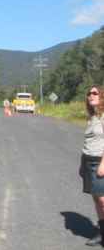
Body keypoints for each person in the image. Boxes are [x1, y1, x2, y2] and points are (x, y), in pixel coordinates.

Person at [80, 85, 104, 247]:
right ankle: (101, 233)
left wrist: (103, 164)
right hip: (87, 160)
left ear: (102, 96)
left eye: (95, 93)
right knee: (96, 198)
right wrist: (82, 164)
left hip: (99, 161)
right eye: (89, 93)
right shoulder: (92, 116)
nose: (91, 95)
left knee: (102, 199)